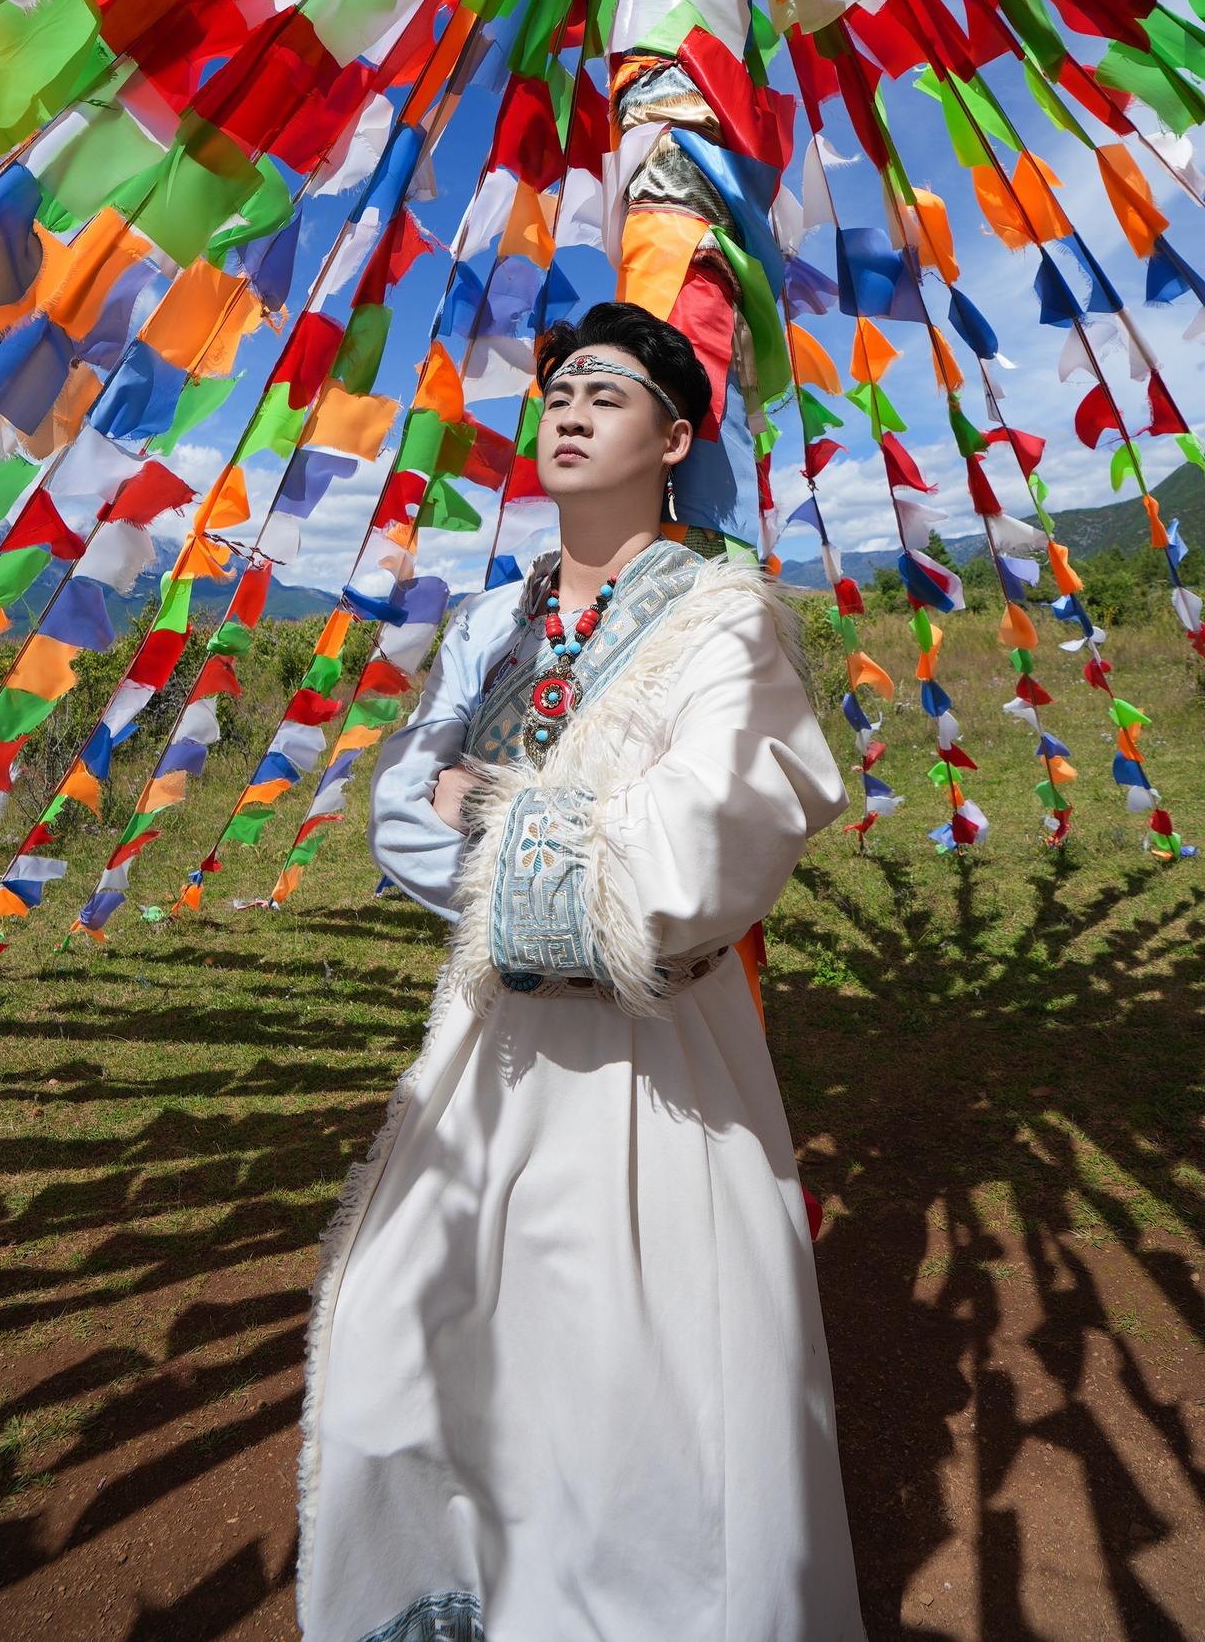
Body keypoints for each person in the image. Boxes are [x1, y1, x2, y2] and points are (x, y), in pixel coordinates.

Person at [298, 301, 866, 1642]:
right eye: (556, 391)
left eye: (604, 396)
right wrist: (540, 834)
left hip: (650, 1070)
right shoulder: (494, 619)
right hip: (487, 1050)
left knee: (633, 1405)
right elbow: (395, 808)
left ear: (674, 438)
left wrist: (488, 814)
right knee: (402, 1354)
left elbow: (692, 869)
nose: (565, 410)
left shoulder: (726, 627)